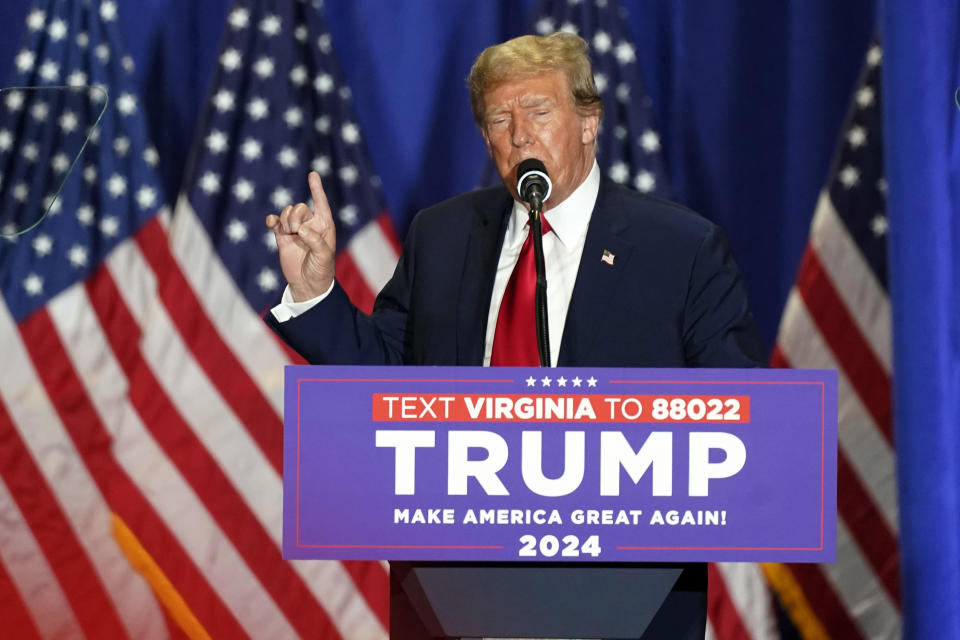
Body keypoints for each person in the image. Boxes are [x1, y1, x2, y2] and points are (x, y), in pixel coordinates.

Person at [266, 31, 763, 637]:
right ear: (486, 138)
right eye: (500, 118)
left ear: (588, 123)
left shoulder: (680, 250)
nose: (520, 134)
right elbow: (380, 380)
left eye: (540, 111)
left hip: (620, 604)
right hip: (454, 600)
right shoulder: (442, 237)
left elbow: (736, 421)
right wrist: (316, 289)